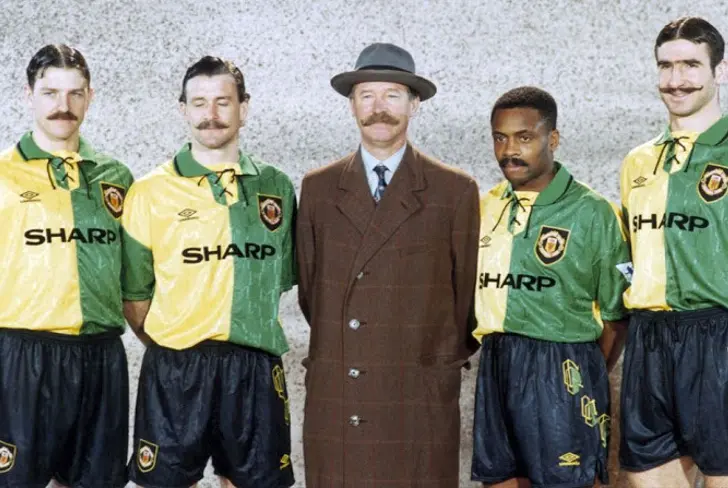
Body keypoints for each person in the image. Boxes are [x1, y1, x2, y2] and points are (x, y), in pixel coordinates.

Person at [296, 42, 480, 487]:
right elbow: (311, 293)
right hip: (344, 386)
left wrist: (429, 359)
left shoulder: (454, 190)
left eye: (393, 95)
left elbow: (466, 301)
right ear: (352, 105)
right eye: (367, 95)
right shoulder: (318, 189)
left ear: (414, 105)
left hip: (416, 390)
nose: (379, 108)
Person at [121, 56, 296, 488]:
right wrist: (176, 341)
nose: (210, 114)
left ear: (244, 108)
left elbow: (280, 280)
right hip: (176, 367)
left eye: (223, 102)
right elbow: (135, 295)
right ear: (183, 109)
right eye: (199, 103)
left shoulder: (276, 186)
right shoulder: (150, 191)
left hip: (254, 368)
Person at [470, 86, 630, 488]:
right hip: (496, 362)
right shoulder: (485, 206)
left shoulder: (594, 212)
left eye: (524, 137)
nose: (509, 150)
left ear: (552, 139)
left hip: (562, 365)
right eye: (500, 138)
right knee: (500, 480)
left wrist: (580, 375)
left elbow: (617, 316)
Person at [0, 44, 132, 488]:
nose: (64, 105)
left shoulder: (117, 177)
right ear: (29, 95)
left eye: (75, 93)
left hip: (101, 356)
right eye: (51, 93)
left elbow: (135, 278)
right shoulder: (3, 174)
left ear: (90, 96)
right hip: (23, 355)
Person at [619, 16, 728, 488]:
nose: (676, 80)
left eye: (690, 65)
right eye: (666, 66)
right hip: (648, 339)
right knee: (647, 476)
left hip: (718, 333)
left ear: (720, 70)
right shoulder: (638, 161)